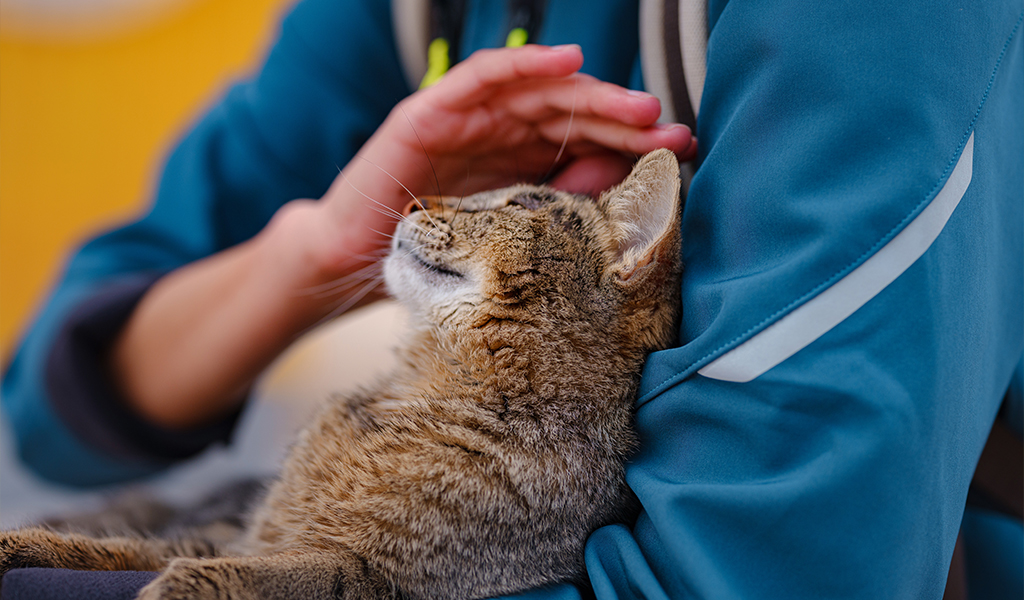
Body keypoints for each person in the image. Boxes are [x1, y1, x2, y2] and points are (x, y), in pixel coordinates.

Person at [2, 0, 1021, 598]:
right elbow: (48, 415)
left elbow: (757, 573)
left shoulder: (885, 26)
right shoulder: (412, 12)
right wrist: (311, 253)